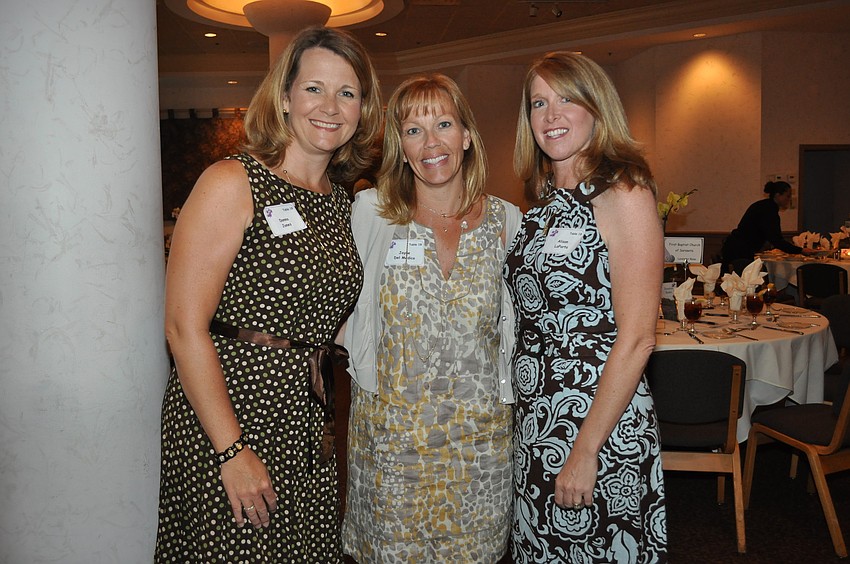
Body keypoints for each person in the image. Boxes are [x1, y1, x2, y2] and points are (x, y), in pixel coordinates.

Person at [155, 26, 382, 562]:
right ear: (284, 97)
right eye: (314, 89)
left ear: (362, 110)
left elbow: (323, 317)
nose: (330, 107)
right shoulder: (232, 182)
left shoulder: (340, 201)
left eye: (347, 93)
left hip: (306, 419)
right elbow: (183, 328)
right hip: (232, 414)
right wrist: (231, 450)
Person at [341, 73, 522, 562]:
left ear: (466, 136)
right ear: (401, 148)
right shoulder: (372, 214)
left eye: (443, 124)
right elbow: (335, 301)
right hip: (392, 443)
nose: (431, 143)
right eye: (413, 130)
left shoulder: (507, 222)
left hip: (480, 447)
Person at [504, 51, 667, 562]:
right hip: (538, 418)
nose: (551, 115)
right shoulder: (543, 202)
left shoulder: (623, 193)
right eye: (538, 103)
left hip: (597, 421)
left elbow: (638, 338)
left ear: (597, 108)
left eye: (567, 100)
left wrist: (585, 450)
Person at [721, 180, 815, 273]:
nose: (789, 199)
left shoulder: (763, 205)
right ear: (778, 195)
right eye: (788, 196)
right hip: (740, 251)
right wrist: (801, 250)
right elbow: (776, 240)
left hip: (734, 246)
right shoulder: (769, 211)